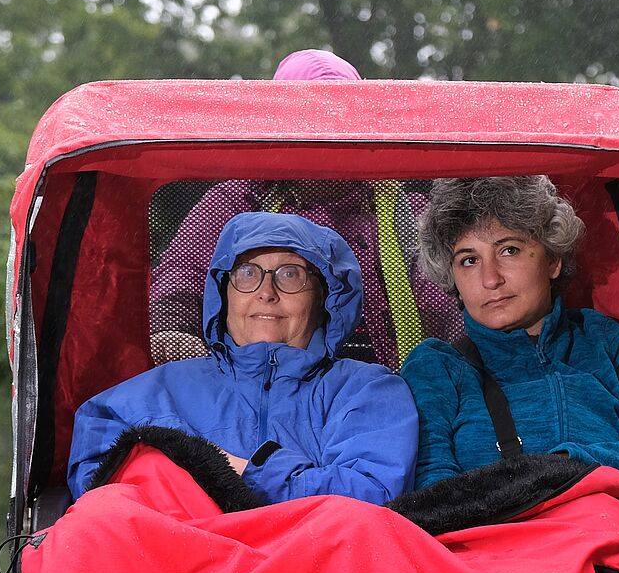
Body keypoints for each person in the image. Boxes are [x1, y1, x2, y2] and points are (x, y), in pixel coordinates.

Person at [67, 210, 419, 508]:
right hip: (179, 572)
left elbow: (371, 497)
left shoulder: (367, 390)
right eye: (247, 273)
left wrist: (243, 469)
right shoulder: (155, 392)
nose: (266, 292)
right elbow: (100, 490)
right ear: (224, 294)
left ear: (325, 298)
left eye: (290, 274)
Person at [146, 50, 458, 368]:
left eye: (341, 121)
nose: (327, 140)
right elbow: (182, 275)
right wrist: (172, 331)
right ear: (279, 131)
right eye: (312, 124)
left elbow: (458, 299)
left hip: (396, 395)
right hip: (262, 394)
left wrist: (455, 370)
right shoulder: (235, 202)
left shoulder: (409, 213)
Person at [400, 175, 619, 499]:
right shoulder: (437, 368)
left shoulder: (618, 346)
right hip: (485, 546)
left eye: (509, 250)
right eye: (469, 260)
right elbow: (432, 493)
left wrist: (562, 468)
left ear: (552, 259)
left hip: (613, 541)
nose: (490, 279)